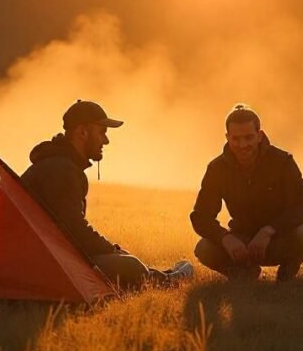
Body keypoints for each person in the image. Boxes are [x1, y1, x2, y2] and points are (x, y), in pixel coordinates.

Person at [21, 100, 193, 289]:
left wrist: (112, 252)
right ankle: (165, 281)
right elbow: (74, 232)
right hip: (47, 261)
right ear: (83, 132)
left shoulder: (59, 164)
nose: (106, 140)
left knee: (123, 260)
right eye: (102, 132)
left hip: (48, 255)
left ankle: (160, 275)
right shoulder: (62, 171)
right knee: (130, 266)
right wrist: (112, 251)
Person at [191, 104, 303, 281]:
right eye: (236, 139)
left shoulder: (282, 162)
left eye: (249, 138)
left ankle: (287, 274)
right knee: (203, 248)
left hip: (277, 241)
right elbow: (200, 216)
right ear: (227, 138)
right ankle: (243, 273)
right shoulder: (216, 168)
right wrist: (225, 238)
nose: (242, 145)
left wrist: (269, 231)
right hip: (240, 245)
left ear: (260, 135)